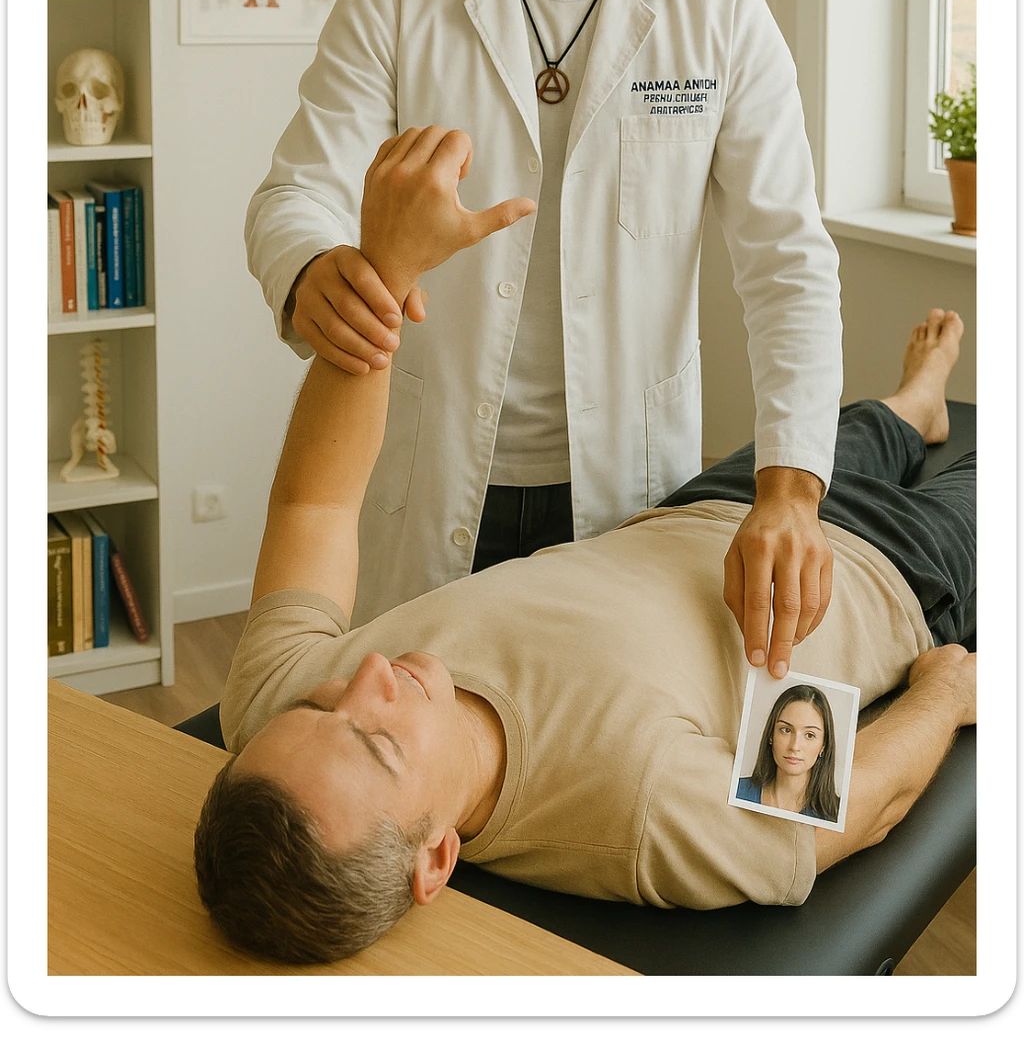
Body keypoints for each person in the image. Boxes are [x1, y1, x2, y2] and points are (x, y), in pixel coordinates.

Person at [197, 127, 976, 967]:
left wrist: (384, 273)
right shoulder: (634, 813)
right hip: (892, 574)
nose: (370, 676)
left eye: (323, 706)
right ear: (436, 860)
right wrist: (942, 693)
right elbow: (859, 809)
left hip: (717, 510)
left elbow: (315, 503)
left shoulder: (271, 703)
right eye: (379, 740)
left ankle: (918, 398)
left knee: (856, 426)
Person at [245, 0, 843, 677]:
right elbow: (295, 190)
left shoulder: (722, 16)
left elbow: (786, 260)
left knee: (596, 757)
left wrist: (788, 490)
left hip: (624, 482)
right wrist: (310, 271)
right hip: (434, 474)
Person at [735, 684, 841, 822]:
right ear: (771, 736)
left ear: (823, 745)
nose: (795, 746)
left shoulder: (835, 814)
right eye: (786, 730)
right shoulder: (736, 790)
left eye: (809, 735)